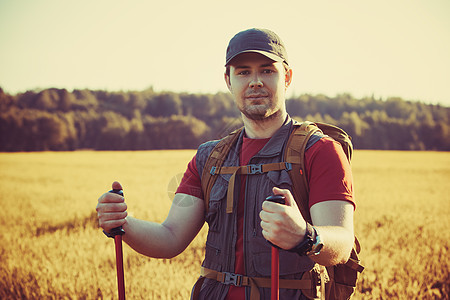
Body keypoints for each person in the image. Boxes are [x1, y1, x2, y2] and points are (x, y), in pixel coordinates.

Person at [96, 28, 355, 299]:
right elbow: (169, 238)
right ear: (228, 81)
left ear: (287, 77)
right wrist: (122, 223)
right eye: (243, 72)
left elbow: (342, 243)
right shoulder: (208, 159)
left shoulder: (321, 151)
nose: (255, 82)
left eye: (267, 71)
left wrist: (304, 235)